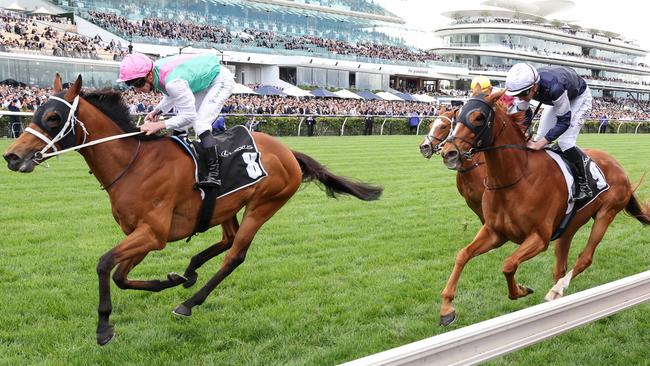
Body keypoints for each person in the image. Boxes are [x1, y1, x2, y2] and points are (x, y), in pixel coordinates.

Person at [117, 52, 234, 187]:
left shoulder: (172, 82)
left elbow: (189, 115)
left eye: (137, 83)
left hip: (219, 81)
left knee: (200, 123)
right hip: (203, 83)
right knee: (180, 127)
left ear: (149, 76)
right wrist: (157, 111)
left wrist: (159, 125)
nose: (136, 90)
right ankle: (180, 165)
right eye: (131, 85)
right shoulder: (158, 73)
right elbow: (171, 95)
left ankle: (215, 174)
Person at [505, 63, 593, 200]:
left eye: (523, 94)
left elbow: (564, 121)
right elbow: (524, 112)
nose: (520, 97)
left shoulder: (554, 88)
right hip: (559, 97)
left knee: (565, 142)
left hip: (579, 97)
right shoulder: (525, 88)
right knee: (539, 139)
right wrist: (525, 132)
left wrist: (540, 143)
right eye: (517, 94)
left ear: (534, 86)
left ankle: (586, 182)